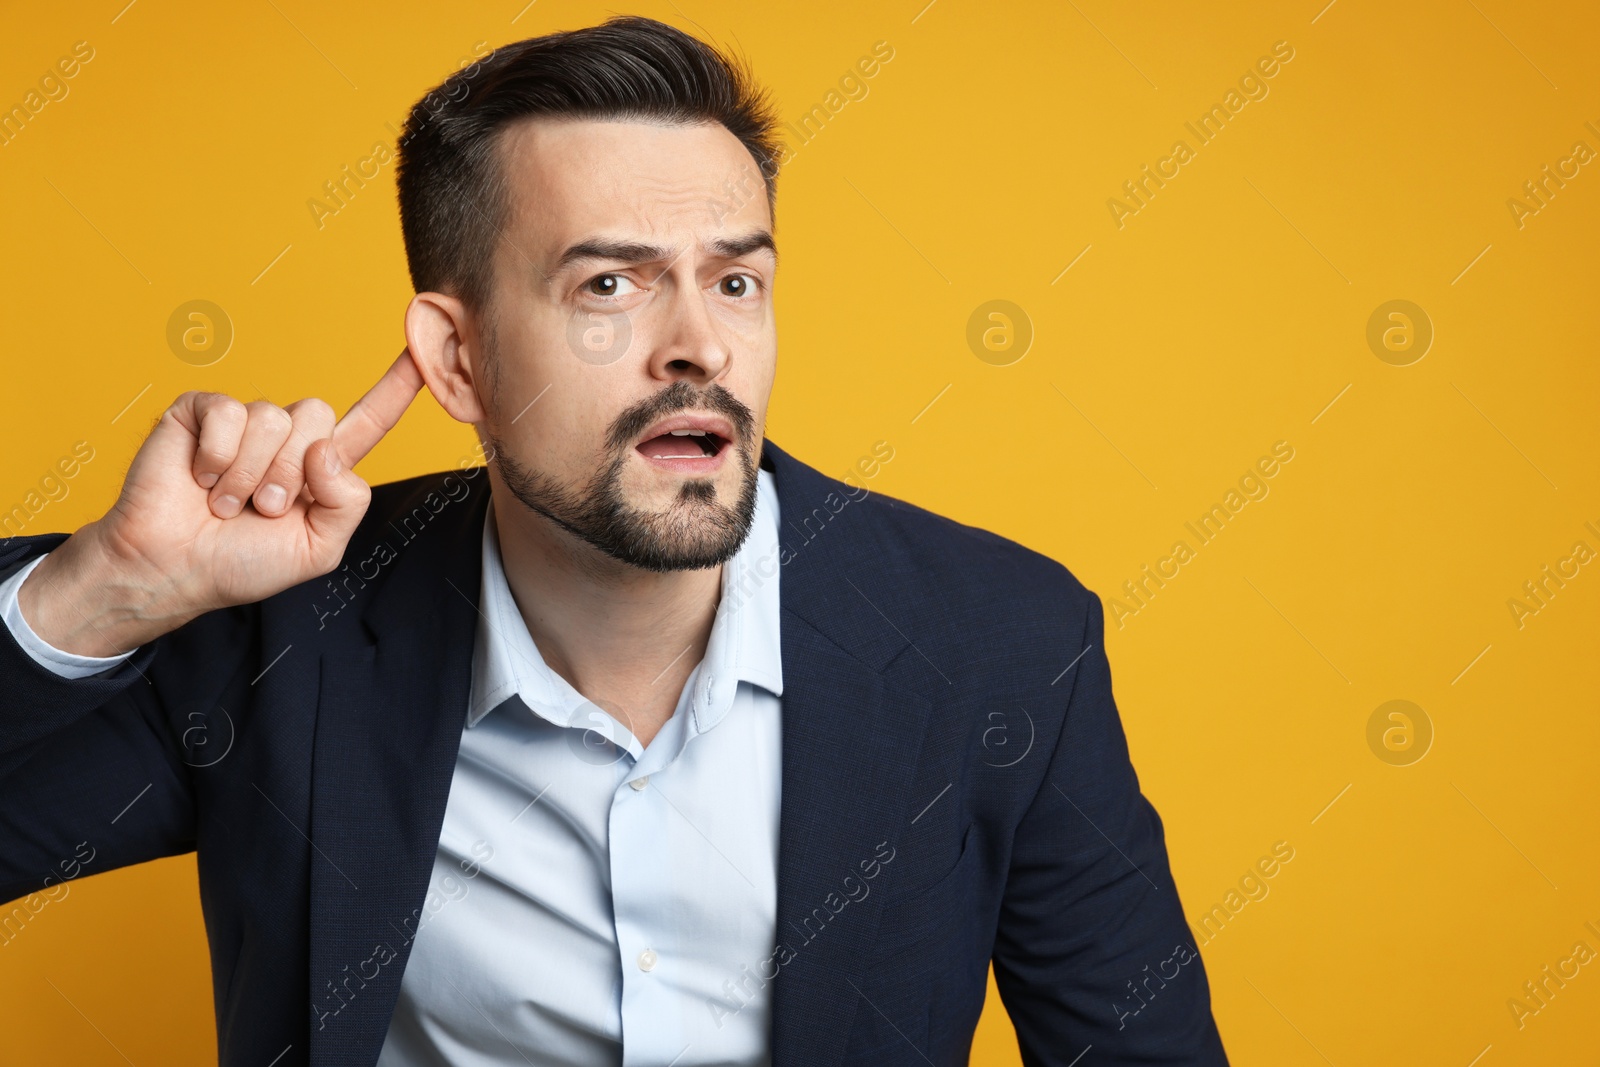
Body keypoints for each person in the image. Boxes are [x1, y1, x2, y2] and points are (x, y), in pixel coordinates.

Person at [0, 15, 1227, 1067]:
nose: (697, 343)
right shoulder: (287, 631)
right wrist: (101, 594)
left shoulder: (999, 637)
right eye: (609, 286)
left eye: (735, 281)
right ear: (457, 358)